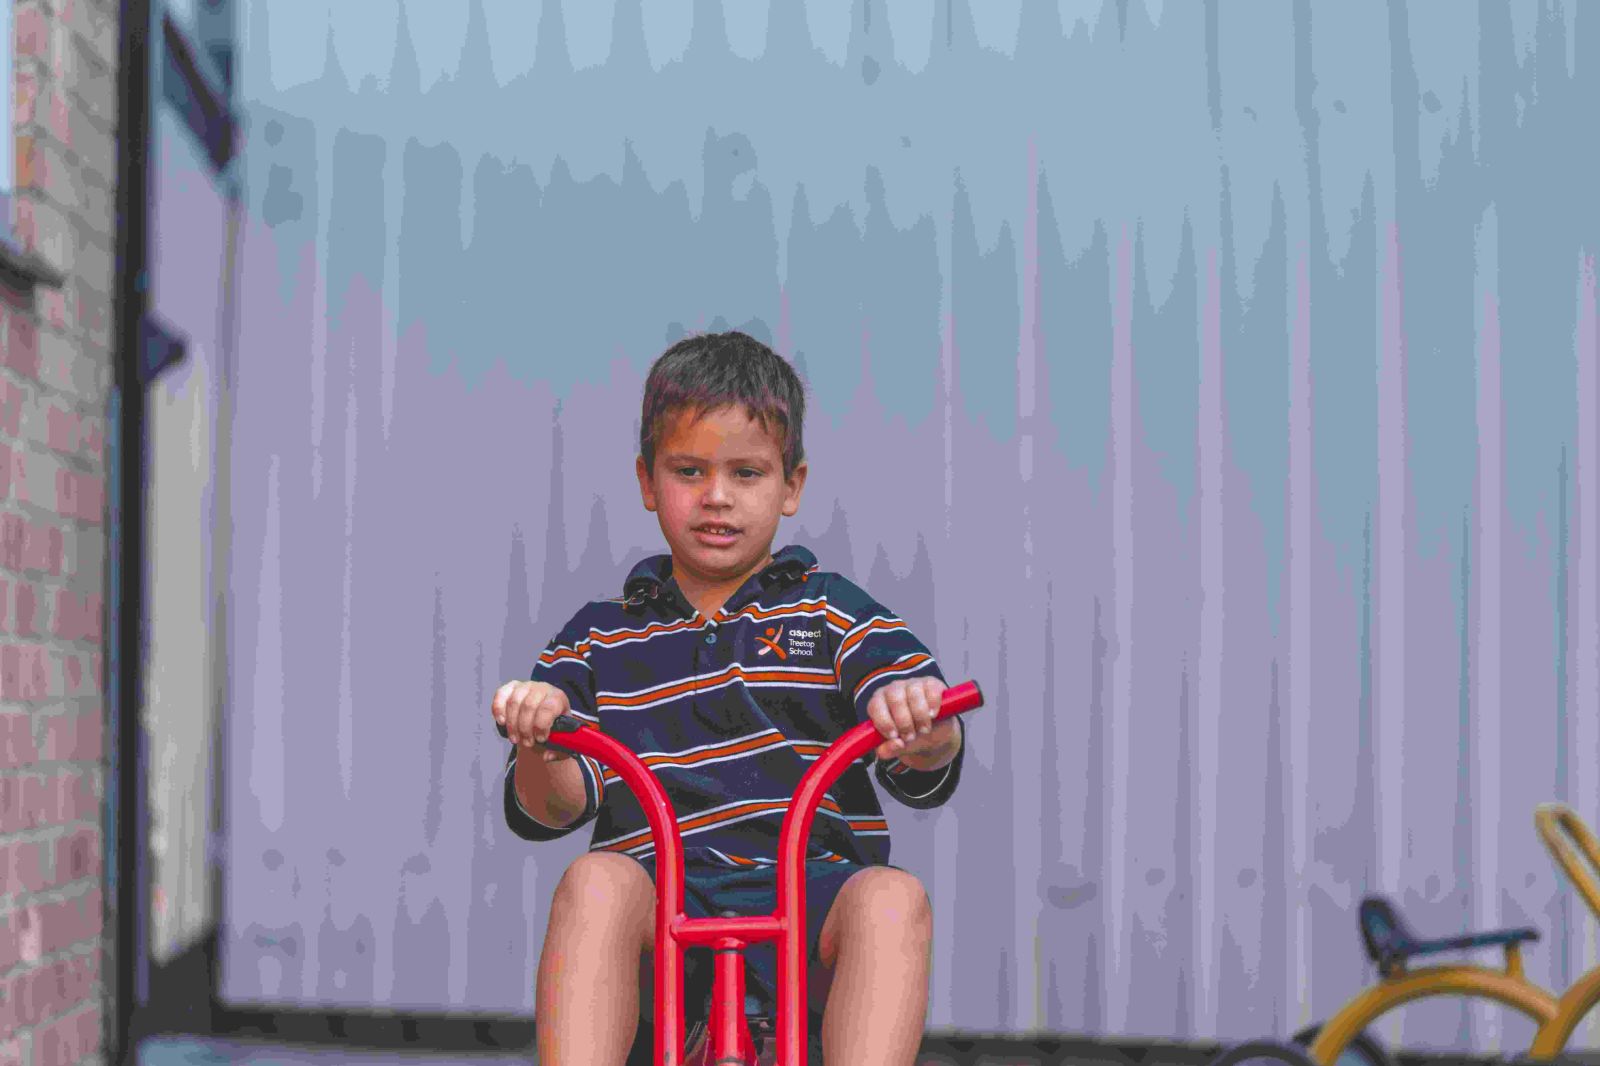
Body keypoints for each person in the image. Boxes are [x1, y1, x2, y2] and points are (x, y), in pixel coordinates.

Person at [491, 331, 968, 1064]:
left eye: (747, 473)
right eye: (689, 471)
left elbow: (922, 751)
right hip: (658, 903)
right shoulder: (596, 638)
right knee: (594, 883)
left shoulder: (832, 613)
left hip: (809, 897)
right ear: (648, 482)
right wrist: (540, 744)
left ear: (791, 486)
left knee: (891, 900)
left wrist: (921, 722)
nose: (717, 496)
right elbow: (552, 807)